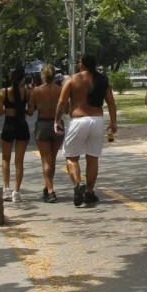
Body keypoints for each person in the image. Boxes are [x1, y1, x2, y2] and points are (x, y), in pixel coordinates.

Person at [54, 54, 118, 206]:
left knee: (71, 157)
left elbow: (62, 102)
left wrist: (57, 120)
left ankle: (77, 185)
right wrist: (113, 122)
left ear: (81, 64)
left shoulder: (71, 79)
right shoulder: (102, 80)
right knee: (92, 158)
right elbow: (111, 103)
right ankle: (89, 192)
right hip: (97, 120)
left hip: (78, 120)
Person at [30, 63, 65, 202]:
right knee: (52, 159)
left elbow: (31, 111)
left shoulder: (36, 91)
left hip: (43, 124)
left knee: (45, 159)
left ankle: (50, 190)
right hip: (57, 124)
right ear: (55, 75)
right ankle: (48, 186)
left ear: (42, 76)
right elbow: (66, 108)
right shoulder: (60, 90)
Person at [0, 66, 30, 203]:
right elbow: (30, 111)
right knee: (19, 161)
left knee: (6, 159)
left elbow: (0, 112)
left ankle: (6, 189)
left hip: (8, 126)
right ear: (23, 79)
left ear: (11, 78)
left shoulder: (3, 92)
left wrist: (7, 110)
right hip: (22, 126)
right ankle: (16, 192)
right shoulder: (27, 93)